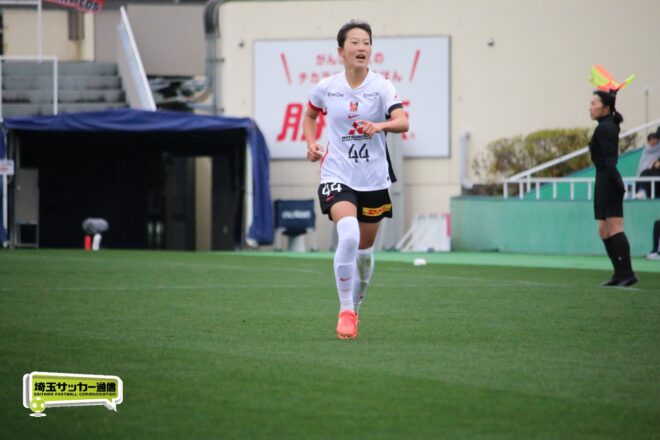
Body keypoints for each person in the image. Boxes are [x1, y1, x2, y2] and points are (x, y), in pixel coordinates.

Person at [303, 20, 409, 339]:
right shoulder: (327, 87)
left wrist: (380, 126)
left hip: (373, 179)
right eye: (355, 42)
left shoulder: (381, 86)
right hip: (337, 174)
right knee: (348, 235)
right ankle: (345, 310)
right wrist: (311, 143)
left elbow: (402, 121)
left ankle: (356, 306)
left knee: (364, 251)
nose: (362, 47)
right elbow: (310, 115)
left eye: (366, 42)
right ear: (341, 51)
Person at [588, 89, 638, 287]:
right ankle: (618, 274)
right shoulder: (606, 125)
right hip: (602, 179)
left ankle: (628, 273)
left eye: (594, 104)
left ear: (606, 108)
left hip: (609, 179)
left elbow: (609, 159)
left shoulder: (606, 127)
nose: (590, 108)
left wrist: (612, 183)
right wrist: (613, 97)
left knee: (615, 228)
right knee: (603, 231)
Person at [635, 131, 660, 198]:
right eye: (650, 140)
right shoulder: (646, 150)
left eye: (654, 139)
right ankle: (642, 191)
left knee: (647, 173)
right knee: (644, 173)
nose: (652, 141)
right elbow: (643, 165)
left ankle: (642, 191)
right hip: (650, 171)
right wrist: (652, 164)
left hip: (656, 172)